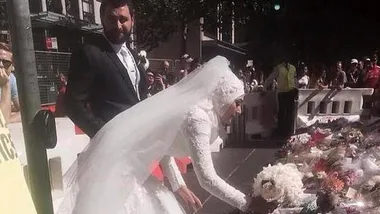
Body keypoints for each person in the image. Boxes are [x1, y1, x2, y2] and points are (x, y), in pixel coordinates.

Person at [57, 56, 276, 214]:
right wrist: (247, 203)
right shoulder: (197, 117)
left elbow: (163, 146)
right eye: (237, 103)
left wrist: (178, 185)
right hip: (125, 174)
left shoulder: (197, 111)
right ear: (222, 97)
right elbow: (207, 179)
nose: (239, 110)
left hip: (132, 171)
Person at [64, 0, 148, 138]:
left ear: (132, 19)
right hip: (112, 147)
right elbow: (73, 104)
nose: (118, 25)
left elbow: (138, 96)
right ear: (102, 18)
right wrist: (105, 134)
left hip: (140, 142)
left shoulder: (132, 54)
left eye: (123, 19)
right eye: (111, 19)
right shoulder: (88, 53)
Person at [263, 55, 298, 139]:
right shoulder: (278, 68)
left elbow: (295, 79)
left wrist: (297, 89)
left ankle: (288, 131)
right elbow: (271, 78)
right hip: (282, 93)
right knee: (282, 112)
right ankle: (281, 131)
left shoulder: (293, 68)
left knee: (290, 112)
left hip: (291, 92)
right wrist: (264, 87)